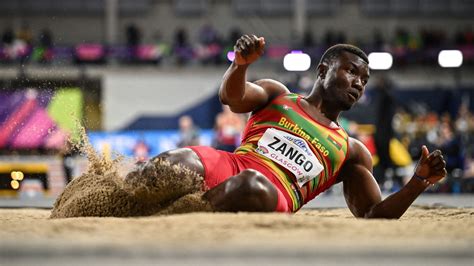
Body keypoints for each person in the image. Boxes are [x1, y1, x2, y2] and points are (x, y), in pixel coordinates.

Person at [126, 35, 447, 218]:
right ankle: (111, 198)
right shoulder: (277, 94)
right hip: (233, 164)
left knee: (251, 184)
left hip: (275, 193)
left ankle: (174, 216)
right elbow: (231, 96)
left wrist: (417, 182)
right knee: (174, 162)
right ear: (323, 70)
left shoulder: (351, 151)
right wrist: (240, 65)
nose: (358, 83)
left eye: (364, 80)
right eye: (351, 72)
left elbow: (372, 214)